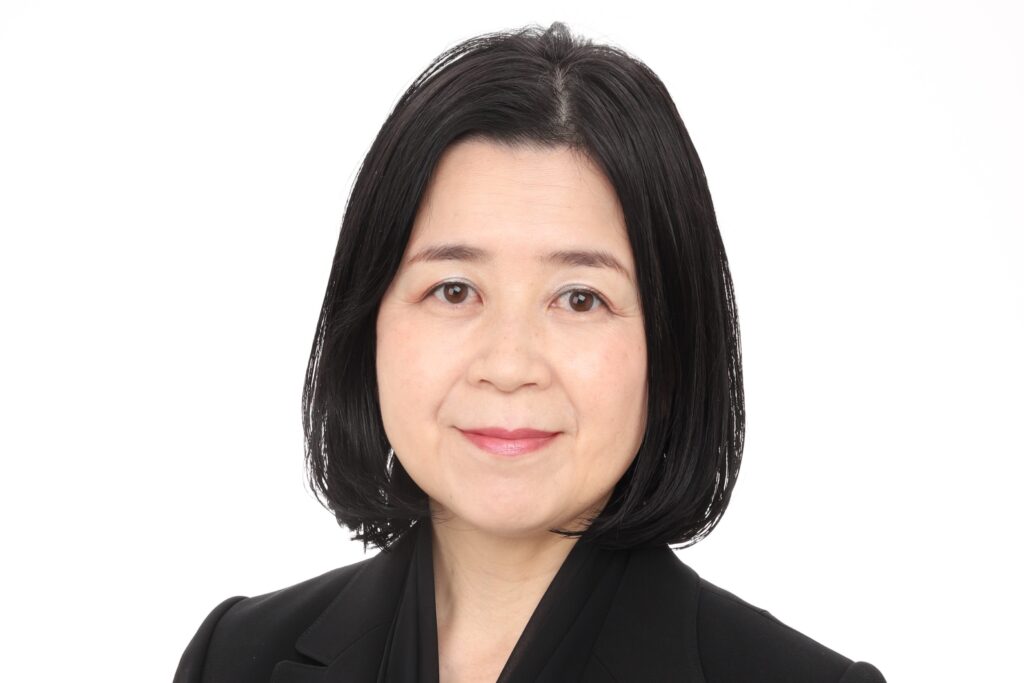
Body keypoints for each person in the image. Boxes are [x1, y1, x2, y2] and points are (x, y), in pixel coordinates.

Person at [173, 21, 886, 683]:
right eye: (454, 290)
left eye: (579, 299)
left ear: (671, 344)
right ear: (369, 325)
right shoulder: (233, 658)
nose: (509, 366)